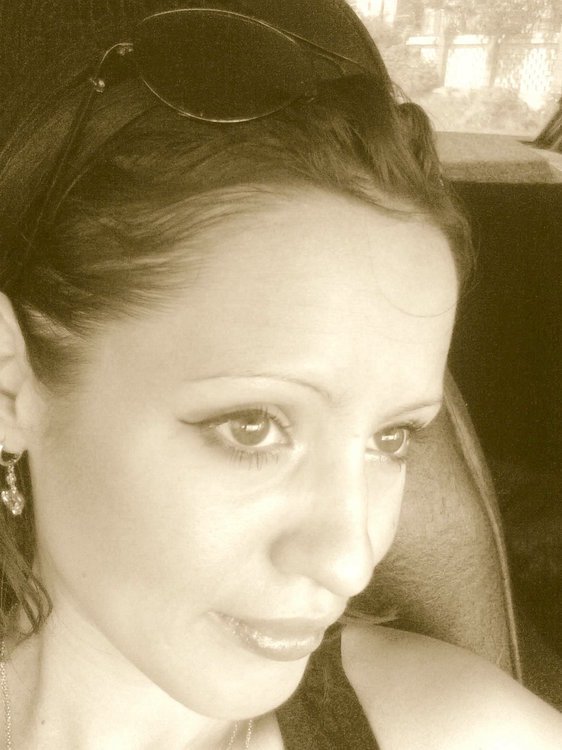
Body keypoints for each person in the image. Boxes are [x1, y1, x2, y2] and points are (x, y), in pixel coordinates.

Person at [0, 1, 559, 748]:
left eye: (393, 438)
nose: (350, 562)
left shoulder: (464, 732)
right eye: (252, 426)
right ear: (11, 388)